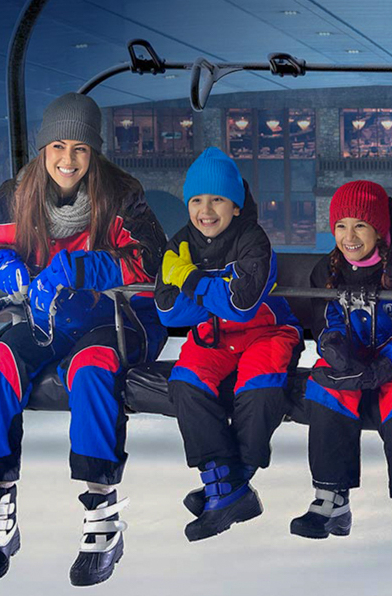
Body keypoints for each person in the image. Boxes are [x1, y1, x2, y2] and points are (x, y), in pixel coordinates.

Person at [0, 93, 167, 586]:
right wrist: (1, 262)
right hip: (50, 316)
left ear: (94, 152)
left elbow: (151, 260)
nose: (68, 160)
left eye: (79, 148)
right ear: (42, 149)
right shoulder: (19, 195)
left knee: (92, 370)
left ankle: (101, 516)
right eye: (57, 146)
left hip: (115, 316)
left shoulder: (121, 195)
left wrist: (80, 266)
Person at [290, 180, 392, 564]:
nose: (349, 236)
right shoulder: (327, 271)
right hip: (359, 357)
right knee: (327, 386)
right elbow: (326, 323)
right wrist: (337, 350)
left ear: (379, 230)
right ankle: (332, 496)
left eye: (360, 225)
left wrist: (383, 366)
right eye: (341, 226)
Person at [154, 147, 302, 542]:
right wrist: (211, 290)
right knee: (186, 383)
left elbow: (242, 304)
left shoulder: (253, 239)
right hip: (213, 335)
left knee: (259, 388)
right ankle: (226, 485)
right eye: (197, 200)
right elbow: (168, 313)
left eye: (217, 199)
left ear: (235, 205)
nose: (206, 209)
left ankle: (227, 486)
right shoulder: (180, 241)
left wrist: (188, 278)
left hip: (267, 330)